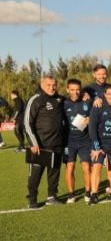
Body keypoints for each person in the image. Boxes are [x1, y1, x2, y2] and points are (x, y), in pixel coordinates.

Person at [25, 75, 67, 208]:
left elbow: (73, 101)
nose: (52, 88)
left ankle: (52, 196)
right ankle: (32, 199)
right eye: (48, 85)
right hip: (40, 145)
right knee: (36, 175)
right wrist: (33, 143)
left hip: (57, 144)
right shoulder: (36, 99)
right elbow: (27, 123)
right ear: (42, 84)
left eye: (54, 85)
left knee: (54, 173)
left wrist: (84, 96)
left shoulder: (60, 99)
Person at [63, 79, 93, 203]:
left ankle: (87, 192)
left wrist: (90, 118)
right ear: (67, 90)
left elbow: (97, 115)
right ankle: (71, 194)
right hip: (68, 141)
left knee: (86, 167)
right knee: (70, 166)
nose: (75, 92)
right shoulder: (63, 103)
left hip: (85, 141)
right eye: (72, 90)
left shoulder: (88, 101)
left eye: (77, 90)